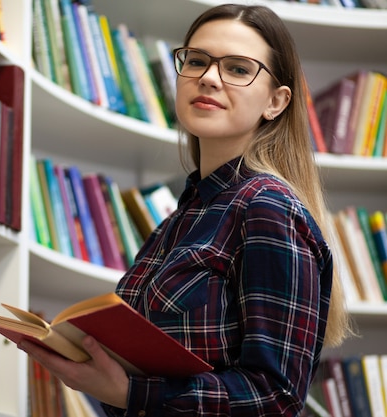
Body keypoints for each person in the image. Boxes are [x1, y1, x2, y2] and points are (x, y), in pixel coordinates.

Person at [19, 3, 353, 416]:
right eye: (196, 61)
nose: (209, 78)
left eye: (237, 68)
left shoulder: (267, 208)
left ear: (276, 102)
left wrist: (131, 393)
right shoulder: (178, 221)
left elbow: (275, 397)